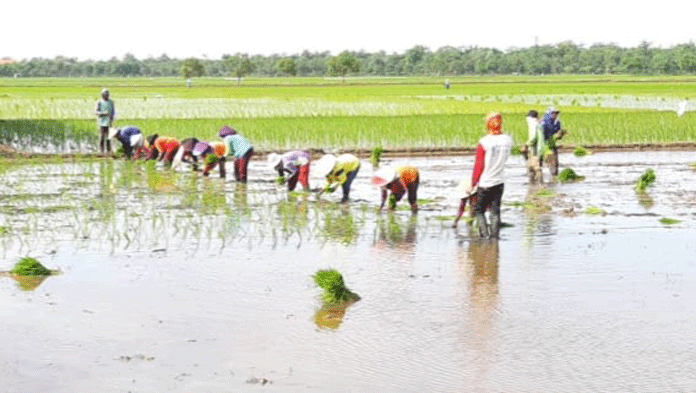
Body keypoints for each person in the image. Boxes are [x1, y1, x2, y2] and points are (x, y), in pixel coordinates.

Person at [468, 112, 514, 239]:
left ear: (488, 124)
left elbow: (478, 166)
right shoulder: (508, 140)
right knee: (495, 212)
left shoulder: (484, 142)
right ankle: (494, 239)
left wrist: (472, 184)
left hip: (486, 182)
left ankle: (484, 236)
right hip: (499, 182)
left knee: (479, 210)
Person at [541, 106, 567, 176]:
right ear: (549, 113)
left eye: (556, 113)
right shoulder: (544, 123)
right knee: (551, 164)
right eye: (553, 113)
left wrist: (560, 134)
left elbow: (557, 133)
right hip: (545, 147)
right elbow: (543, 136)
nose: (555, 115)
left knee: (555, 165)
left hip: (552, 145)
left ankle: (553, 178)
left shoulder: (556, 122)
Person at [524, 110, 545, 183]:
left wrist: (526, 145)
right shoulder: (539, 124)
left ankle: (537, 187)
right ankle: (538, 187)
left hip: (535, 151)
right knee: (537, 169)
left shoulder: (533, 124)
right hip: (540, 151)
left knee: (535, 170)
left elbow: (533, 138)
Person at [94, 88, 115, 156]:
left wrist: (111, 120)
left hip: (109, 122)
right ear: (102, 95)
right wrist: (103, 113)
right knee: (102, 138)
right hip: (102, 123)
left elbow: (113, 112)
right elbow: (96, 112)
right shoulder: (99, 102)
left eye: (107, 95)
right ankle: (101, 151)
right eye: (105, 95)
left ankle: (109, 152)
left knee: (109, 138)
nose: (106, 96)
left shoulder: (111, 102)